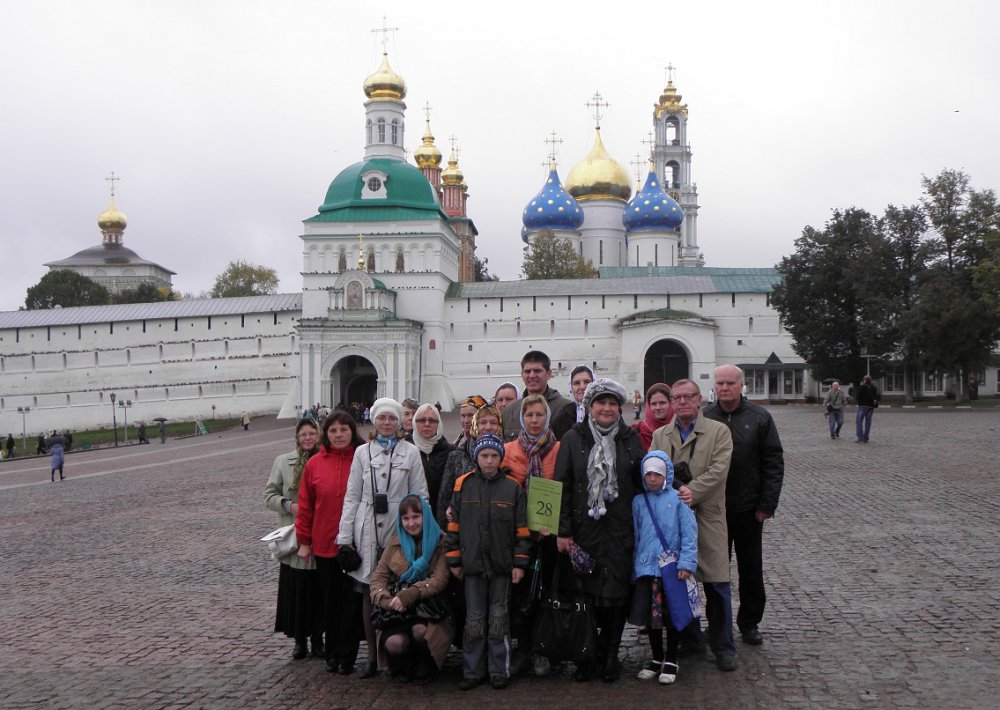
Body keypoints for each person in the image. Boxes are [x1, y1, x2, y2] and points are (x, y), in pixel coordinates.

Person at [555, 378, 644, 682]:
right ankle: (587, 655)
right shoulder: (573, 438)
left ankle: (610, 654)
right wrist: (563, 530)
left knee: (616, 596)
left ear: (619, 407)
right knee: (587, 597)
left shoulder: (630, 438)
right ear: (590, 407)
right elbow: (562, 484)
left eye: (612, 403)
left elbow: (643, 480)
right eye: (600, 403)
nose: (606, 408)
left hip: (620, 531)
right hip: (585, 531)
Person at [337, 397, 429, 679]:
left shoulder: (410, 452)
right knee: (368, 591)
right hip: (367, 529)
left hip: (398, 527)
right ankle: (374, 659)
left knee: (401, 585)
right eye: (382, 418)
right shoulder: (362, 453)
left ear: (400, 421)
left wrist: (417, 532)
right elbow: (352, 496)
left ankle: (397, 654)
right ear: (374, 420)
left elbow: (420, 495)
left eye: (392, 418)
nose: (387, 423)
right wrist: (345, 536)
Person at [650, 379, 736, 671]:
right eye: (677, 397)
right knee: (679, 581)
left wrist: (692, 490)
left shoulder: (718, 431)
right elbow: (653, 468)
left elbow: (720, 470)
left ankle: (723, 645)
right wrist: (672, 492)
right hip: (673, 517)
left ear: (700, 399)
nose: (683, 402)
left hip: (707, 515)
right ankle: (691, 639)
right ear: (672, 402)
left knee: (716, 581)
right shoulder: (661, 434)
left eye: (689, 396)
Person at [704, 365, 785, 647]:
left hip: (749, 508)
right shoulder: (706, 417)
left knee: (750, 568)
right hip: (714, 510)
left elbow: (773, 461)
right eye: (720, 383)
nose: (724, 388)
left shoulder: (759, 417)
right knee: (715, 569)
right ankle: (717, 622)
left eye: (730, 383)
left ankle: (749, 622)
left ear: (741, 385)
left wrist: (767, 503)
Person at [445, 433, 532, 691]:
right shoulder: (463, 485)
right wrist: (454, 560)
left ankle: (498, 670)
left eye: (494, 456)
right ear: (477, 457)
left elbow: (522, 531)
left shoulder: (512, 488)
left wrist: (519, 563)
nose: (490, 461)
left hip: (501, 567)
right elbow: (453, 526)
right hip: (472, 566)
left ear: (500, 458)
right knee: (474, 619)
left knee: (498, 618)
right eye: (485, 456)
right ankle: (472, 670)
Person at [295, 410, 365, 674]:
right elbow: (306, 505)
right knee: (331, 601)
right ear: (326, 434)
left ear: (352, 432)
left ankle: (347, 655)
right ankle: (332, 653)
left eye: (343, 430)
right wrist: (304, 541)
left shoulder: (362, 458)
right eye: (333, 431)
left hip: (357, 544)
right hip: (325, 543)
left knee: (353, 602)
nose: (338, 435)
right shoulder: (315, 463)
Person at [503, 394, 561, 677]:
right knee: (520, 595)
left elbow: (567, 486)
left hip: (548, 536)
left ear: (546, 417)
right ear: (522, 418)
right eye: (530, 415)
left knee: (546, 594)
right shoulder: (508, 450)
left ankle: (543, 650)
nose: (535, 420)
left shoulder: (559, 449)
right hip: (518, 535)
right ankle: (523, 648)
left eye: (540, 415)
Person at [369, 495, 454, 683]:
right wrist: (386, 600)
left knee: (419, 631)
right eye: (406, 518)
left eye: (416, 517)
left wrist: (410, 594)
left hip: (428, 608)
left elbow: (439, 579)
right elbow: (378, 579)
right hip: (397, 610)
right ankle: (403, 664)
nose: (411, 523)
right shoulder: (395, 542)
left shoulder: (442, 541)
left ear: (425, 516)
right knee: (395, 643)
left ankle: (425, 662)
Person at [631, 451, 697, 685]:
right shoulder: (639, 502)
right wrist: (635, 567)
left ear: (666, 475)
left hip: (670, 568)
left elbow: (689, 534)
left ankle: (671, 658)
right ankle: (657, 657)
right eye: (648, 474)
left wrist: (687, 563)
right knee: (652, 619)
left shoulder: (678, 499)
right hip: (648, 569)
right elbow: (637, 537)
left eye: (656, 474)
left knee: (672, 616)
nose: (651, 478)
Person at [264, 418, 322, 659]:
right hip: (294, 535)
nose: (308, 438)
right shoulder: (283, 462)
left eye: (312, 434)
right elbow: (269, 495)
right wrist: (289, 506)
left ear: (319, 436)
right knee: (297, 591)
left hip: (320, 535)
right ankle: (300, 640)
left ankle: (319, 638)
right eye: (303, 434)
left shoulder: (325, 460)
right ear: (297, 438)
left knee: (318, 590)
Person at [437, 403, 502, 527]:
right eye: (482, 422)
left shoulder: (508, 452)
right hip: (465, 528)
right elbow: (444, 501)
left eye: (493, 422)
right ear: (475, 425)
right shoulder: (457, 455)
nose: (488, 427)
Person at [501, 351, 575, 441]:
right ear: (522, 375)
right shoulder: (509, 412)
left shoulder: (565, 409)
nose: (532, 375)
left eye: (537, 371)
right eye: (527, 371)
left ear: (549, 374)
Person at [408, 403, 454, 513]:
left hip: (443, 517)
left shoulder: (451, 452)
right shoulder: (405, 450)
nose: (427, 424)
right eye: (422, 420)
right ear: (415, 422)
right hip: (413, 517)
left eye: (432, 421)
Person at [551, 364, 594, 435]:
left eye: (587, 382)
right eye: (576, 383)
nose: (582, 387)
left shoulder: (602, 413)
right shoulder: (562, 419)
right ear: (571, 387)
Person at [632, 383, 674, 452]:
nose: (658, 408)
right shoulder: (638, 431)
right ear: (648, 405)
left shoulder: (681, 430)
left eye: (662, 403)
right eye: (653, 404)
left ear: (671, 403)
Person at [855, 375, 879, 443]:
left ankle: (860, 438)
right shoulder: (874, 387)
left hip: (863, 406)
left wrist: (859, 403)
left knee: (859, 422)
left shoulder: (862, 387)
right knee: (868, 423)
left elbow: (858, 396)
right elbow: (877, 396)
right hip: (871, 407)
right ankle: (866, 438)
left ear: (864, 380)